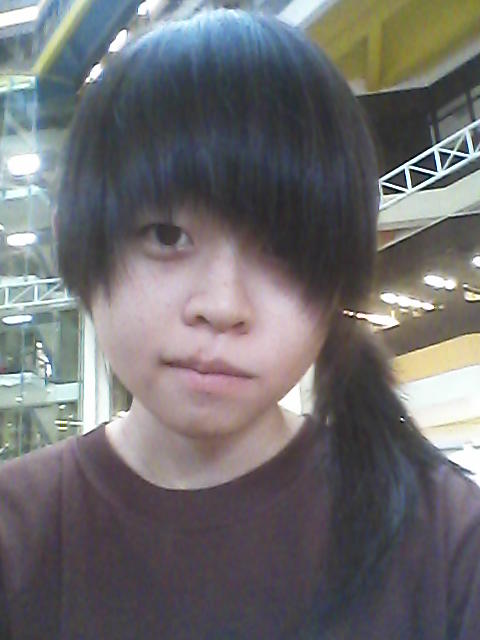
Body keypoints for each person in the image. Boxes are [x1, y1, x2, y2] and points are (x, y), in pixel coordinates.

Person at [1, 10, 479, 639]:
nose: (223, 306)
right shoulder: (16, 533)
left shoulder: (446, 537)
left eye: (283, 247)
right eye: (166, 235)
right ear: (78, 241)